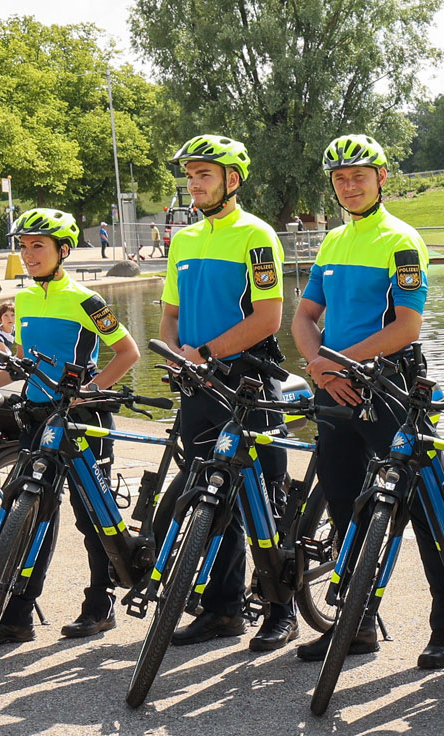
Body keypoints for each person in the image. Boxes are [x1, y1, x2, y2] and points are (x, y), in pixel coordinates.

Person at [292, 133, 444, 669]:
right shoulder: (333, 242)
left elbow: (408, 327)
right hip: (336, 389)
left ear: (382, 177)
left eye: (359, 175)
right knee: (344, 505)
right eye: (340, 178)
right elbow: (302, 317)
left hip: (389, 387)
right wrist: (320, 366)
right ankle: (356, 623)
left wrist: (333, 363)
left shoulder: (402, 241)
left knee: (423, 510)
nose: (349, 185)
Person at [0, 208, 141, 643]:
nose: (28, 254)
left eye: (38, 246)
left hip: (82, 419)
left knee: (91, 515)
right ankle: (17, 615)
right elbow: (20, 364)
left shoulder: (87, 300)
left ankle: (99, 604)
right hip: (37, 417)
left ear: (63, 251)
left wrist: (89, 390)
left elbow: (128, 353)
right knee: (33, 512)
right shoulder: (24, 299)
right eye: (23, 246)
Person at [157, 134, 298, 652]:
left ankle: (282, 611)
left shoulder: (256, 236)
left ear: (232, 180)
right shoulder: (184, 239)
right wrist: (176, 353)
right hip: (197, 383)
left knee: (265, 499)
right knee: (212, 500)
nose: (194, 184)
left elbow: (269, 317)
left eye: (204, 175)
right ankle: (222, 609)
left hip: (248, 383)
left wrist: (208, 352)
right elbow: (170, 315)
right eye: (190, 176)